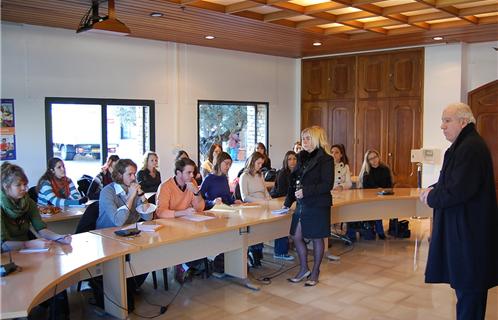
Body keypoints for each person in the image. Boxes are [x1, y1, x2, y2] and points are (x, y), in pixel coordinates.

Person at [419, 103, 498, 320]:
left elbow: (458, 190)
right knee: (466, 290)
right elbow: (454, 180)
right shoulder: (465, 145)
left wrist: (431, 197)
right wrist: (434, 188)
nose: (442, 126)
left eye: (447, 120)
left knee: (470, 291)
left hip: (470, 234)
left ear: (463, 122)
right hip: (465, 231)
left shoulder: (470, 147)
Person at [1, 162, 71, 320]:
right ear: (6, 187)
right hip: (6, 256)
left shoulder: (28, 202)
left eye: (25, 184)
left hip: (26, 252)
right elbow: (3, 244)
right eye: (18, 185)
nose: (24, 189)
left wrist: (60, 237)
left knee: (55, 278)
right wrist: (28, 244)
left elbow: (41, 229)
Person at [96, 159, 152, 311]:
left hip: (129, 235)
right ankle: (121, 288)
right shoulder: (108, 192)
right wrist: (131, 197)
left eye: (134, 173)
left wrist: (141, 195)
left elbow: (148, 217)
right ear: (119, 175)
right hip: (108, 237)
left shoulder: (133, 190)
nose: (134, 178)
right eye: (130, 174)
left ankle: (129, 286)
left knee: (149, 255)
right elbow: (117, 221)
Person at [284, 126, 333, 287]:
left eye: (308, 138)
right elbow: (294, 181)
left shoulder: (326, 159)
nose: (304, 141)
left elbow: (327, 184)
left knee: (317, 238)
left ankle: (315, 271)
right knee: (296, 236)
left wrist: (306, 191)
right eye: (303, 138)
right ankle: (304, 268)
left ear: (317, 139)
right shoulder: (301, 157)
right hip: (302, 204)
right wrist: (287, 202)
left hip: (318, 204)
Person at [156, 158, 205, 282]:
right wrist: (182, 212)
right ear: (178, 173)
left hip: (185, 223)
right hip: (167, 226)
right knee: (188, 241)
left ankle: (185, 265)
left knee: (204, 239)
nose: (192, 175)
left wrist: (196, 193)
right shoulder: (166, 187)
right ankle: (182, 264)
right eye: (188, 172)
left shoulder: (192, 183)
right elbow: (160, 212)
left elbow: (200, 208)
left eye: (192, 172)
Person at [350, 149, 392, 240]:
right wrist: (377, 189)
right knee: (376, 207)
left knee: (379, 207)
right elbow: (367, 188)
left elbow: (389, 185)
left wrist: (383, 190)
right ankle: (378, 231)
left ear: (378, 157)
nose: (374, 160)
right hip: (369, 199)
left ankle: (380, 230)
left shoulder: (385, 169)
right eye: (371, 159)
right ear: (368, 161)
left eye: (375, 157)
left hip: (383, 197)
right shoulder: (366, 172)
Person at [239, 151, 271, 266]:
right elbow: (245, 197)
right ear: (252, 162)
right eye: (258, 163)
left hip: (263, 205)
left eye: (261, 164)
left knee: (263, 229)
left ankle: (258, 250)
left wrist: (269, 199)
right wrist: (261, 201)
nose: (260, 166)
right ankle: (254, 251)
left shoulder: (260, 175)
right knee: (255, 231)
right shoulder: (244, 176)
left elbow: (265, 190)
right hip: (252, 208)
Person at [269, 151, 297, 261]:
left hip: (291, 201)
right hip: (278, 201)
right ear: (286, 161)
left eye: (294, 159)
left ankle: (296, 243)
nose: (292, 161)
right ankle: (280, 251)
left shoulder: (297, 172)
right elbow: (281, 192)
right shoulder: (282, 173)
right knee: (283, 222)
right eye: (290, 159)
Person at [328, 143, 352, 261]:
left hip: (341, 196)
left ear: (341, 154)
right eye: (332, 152)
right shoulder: (326, 165)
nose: (333, 154)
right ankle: (326, 237)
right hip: (328, 195)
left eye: (336, 152)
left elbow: (349, 183)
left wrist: (341, 186)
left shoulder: (345, 167)